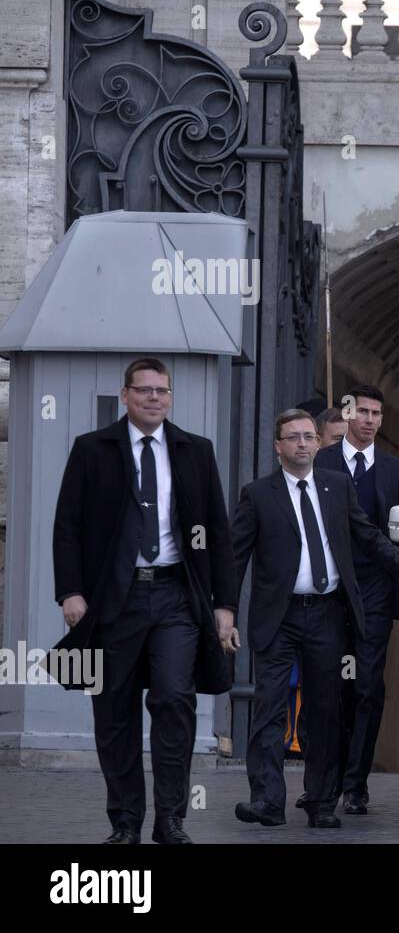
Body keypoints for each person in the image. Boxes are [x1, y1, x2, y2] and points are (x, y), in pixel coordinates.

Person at [52, 358, 239, 845]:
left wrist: (224, 604)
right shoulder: (93, 450)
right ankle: (125, 823)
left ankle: (171, 819)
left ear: (170, 397)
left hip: (177, 595)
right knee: (113, 711)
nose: (154, 398)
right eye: (145, 390)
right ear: (126, 395)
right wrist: (70, 591)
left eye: (162, 391)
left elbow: (217, 531)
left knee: (174, 698)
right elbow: (67, 526)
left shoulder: (195, 451)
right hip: (114, 598)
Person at [231, 409, 399, 829]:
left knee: (325, 711)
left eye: (309, 436)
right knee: (270, 707)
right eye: (293, 438)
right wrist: (223, 611)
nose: (303, 444)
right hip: (279, 616)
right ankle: (268, 800)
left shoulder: (336, 486)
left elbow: (369, 536)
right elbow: (234, 556)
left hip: (327, 614)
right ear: (278, 447)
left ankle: (322, 801)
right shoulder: (257, 494)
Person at [314, 385, 399, 815]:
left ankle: (355, 784)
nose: (371, 420)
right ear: (348, 412)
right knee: (326, 688)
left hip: (375, 591)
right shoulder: (320, 461)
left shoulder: (395, 471)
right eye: (363, 412)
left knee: (367, 688)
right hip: (325, 590)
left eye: (377, 414)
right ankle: (323, 780)